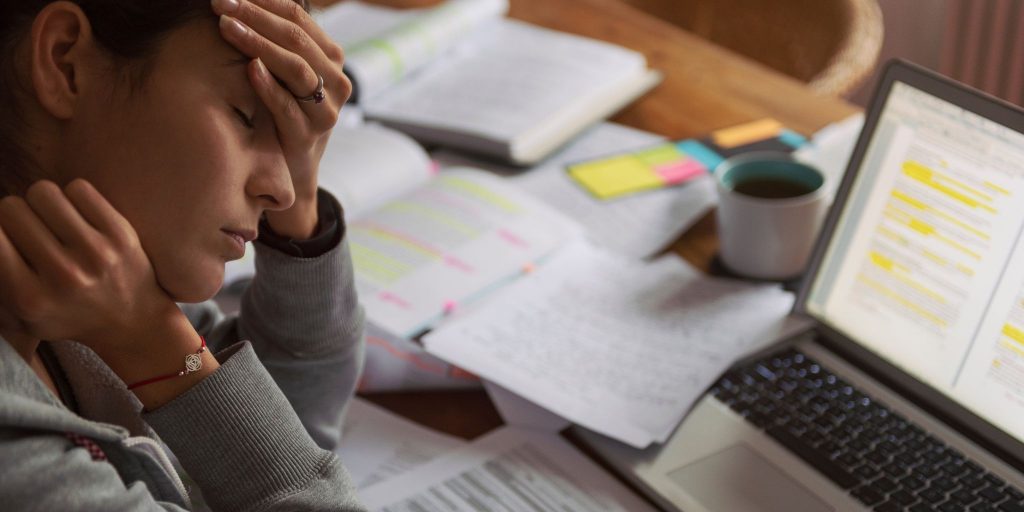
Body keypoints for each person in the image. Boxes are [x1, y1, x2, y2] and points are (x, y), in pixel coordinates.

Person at [0, 0, 367, 509]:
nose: (281, 190)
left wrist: (302, 202)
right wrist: (155, 346)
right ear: (65, 63)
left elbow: (291, 422)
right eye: (245, 115)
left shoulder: (95, 265)